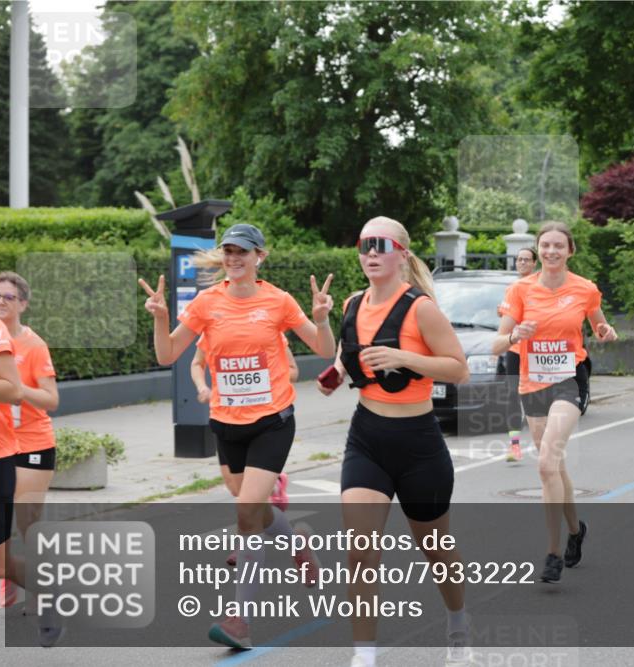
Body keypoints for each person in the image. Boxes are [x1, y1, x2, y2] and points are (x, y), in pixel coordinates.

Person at [138, 223, 336, 650]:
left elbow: (323, 351)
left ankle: (239, 620)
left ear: (259, 256)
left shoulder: (279, 301)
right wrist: (159, 319)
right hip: (227, 424)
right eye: (228, 251)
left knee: (248, 512)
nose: (234, 258)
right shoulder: (207, 303)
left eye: (242, 251)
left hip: (272, 420)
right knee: (253, 508)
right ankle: (296, 541)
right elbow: (166, 353)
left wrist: (321, 320)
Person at [319, 216, 471, 667]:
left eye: (380, 244)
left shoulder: (420, 307)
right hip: (367, 438)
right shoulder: (351, 303)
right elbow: (348, 358)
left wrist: (405, 356)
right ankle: (364, 654)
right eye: (364, 243)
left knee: (436, 551)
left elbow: (458, 368)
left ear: (401, 253)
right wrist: (336, 373)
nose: (370, 252)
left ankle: (458, 623)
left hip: (419, 444)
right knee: (360, 547)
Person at [493, 221, 617, 584]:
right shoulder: (520, 290)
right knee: (554, 466)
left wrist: (605, 331)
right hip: (532, 385)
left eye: (558, 246)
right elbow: (498, 343)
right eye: (545, 245)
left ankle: (552, 552)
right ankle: (576, 529)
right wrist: (516, 333)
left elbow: (599, 324)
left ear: (570, 251)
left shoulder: (585, 289)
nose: (551, 251)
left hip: (567, 381)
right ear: (537, 249)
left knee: (547, 462)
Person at [191, 334, 297, 567]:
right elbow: (197, 363)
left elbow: (293, 370)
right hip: (227, 419)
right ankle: (294, 538)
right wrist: (203, 386)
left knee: (247, 503)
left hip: (264, 421)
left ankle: (244, 543)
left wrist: (266, 378)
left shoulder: (269, 328)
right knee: (236, 489)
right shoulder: (214, 326)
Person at [0, 273, 59, 609]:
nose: (0, 302)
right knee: (1, 521)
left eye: (9, 297)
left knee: (27, 521)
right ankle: (10, 577)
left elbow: (51, 400)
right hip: (1, 441)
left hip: (32, 443)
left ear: (24, 304)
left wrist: (16, 387)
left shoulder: (33, 345)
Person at [504, 247, 537, 462]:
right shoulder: (513, 287)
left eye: (526, 260)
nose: (522, 263)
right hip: (515, 348)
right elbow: (506, 315)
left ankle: (543, 440)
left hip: (535, 349)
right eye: (519, 260)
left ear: (534, 263)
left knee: (534, 395)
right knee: (512, 394)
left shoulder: (540, 286)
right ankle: (514, 445)